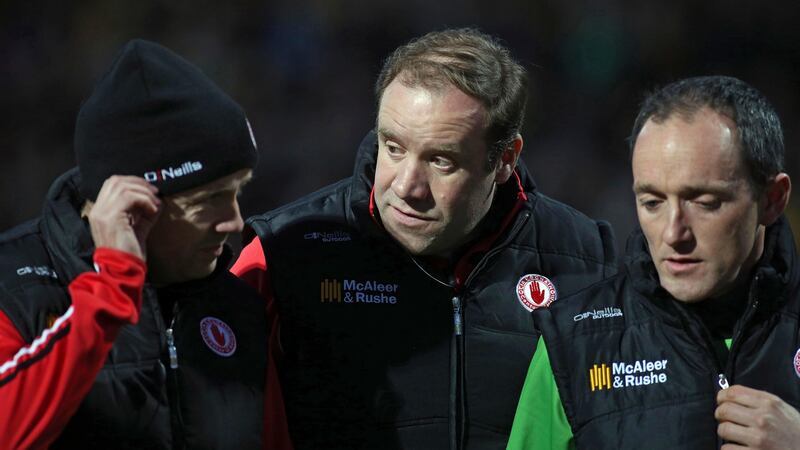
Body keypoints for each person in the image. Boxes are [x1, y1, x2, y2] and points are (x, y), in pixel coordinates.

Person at [231, 28, 617, 449]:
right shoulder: (284, 254)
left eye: (441, 160)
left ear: (505, 158)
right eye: (393, 147)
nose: (407, 186)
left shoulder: (589, 262)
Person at [507, 75, 800, 449]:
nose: (673, 233)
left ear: (773, 199)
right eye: (652, 203)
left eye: (704, 202)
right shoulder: (574, 341)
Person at [0, 39, 266, 449]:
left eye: (237, 192)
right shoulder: (11, 288)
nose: (234, 221)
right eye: (207, 201)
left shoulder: (240, 305)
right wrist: (110, 291)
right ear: (131, 203)